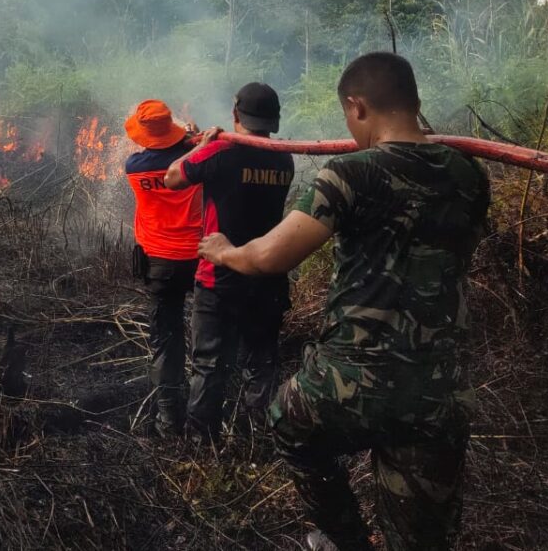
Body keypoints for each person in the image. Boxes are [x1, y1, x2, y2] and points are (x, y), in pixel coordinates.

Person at [196, 52, 490, 551]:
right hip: (438, 390)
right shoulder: (469, 174)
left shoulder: (350, 174)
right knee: (419, 537)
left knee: (287, 420)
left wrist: (225, 250)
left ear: (356, 107)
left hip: (351, 381)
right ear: (415, 103)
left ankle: (342, 538)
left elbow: (270, 256)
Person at [164, 82, 294, 440]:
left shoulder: (221, 151)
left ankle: (200, 445)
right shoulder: (284, 157)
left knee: (208, 365)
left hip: (219, 278)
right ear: (274, 120)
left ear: (236, 114)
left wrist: (206, 144)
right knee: (261, 366)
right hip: (267, 278)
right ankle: (261, 441)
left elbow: (172, 177)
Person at [123, 99, 203, 437]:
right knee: (207, 336)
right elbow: (193, 156)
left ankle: (169, 419)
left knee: (165, 338)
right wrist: (194, 139)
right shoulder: (196, 162)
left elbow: (156, 155)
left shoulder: (134, 167)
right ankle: (206, 416)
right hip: (201, 258)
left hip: (160, 264)